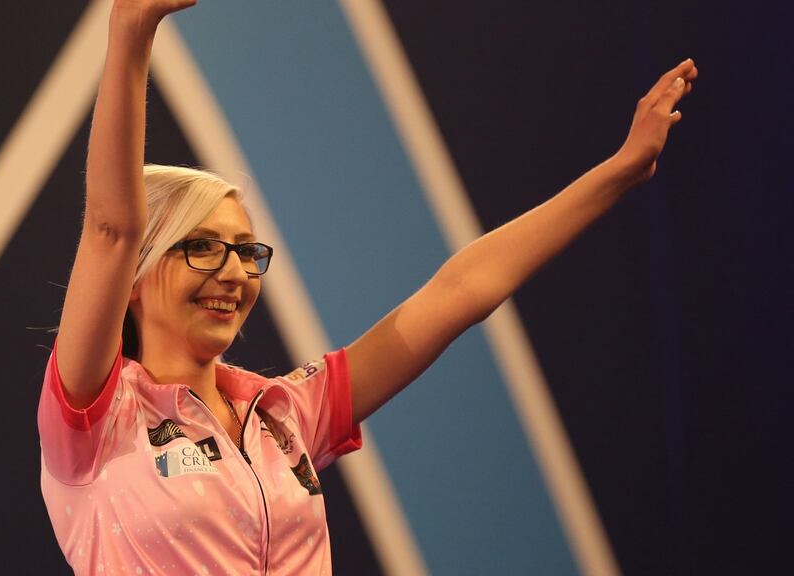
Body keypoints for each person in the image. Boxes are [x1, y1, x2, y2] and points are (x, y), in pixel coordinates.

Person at [37, 1, 698, 574]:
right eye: (203, 247)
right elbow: (110, 230)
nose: (234, 272)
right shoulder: (96, 421)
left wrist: (617, 172)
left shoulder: (287, 413)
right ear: (136, 278)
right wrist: (131, 31)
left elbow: (460, 290)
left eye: (246, 252)